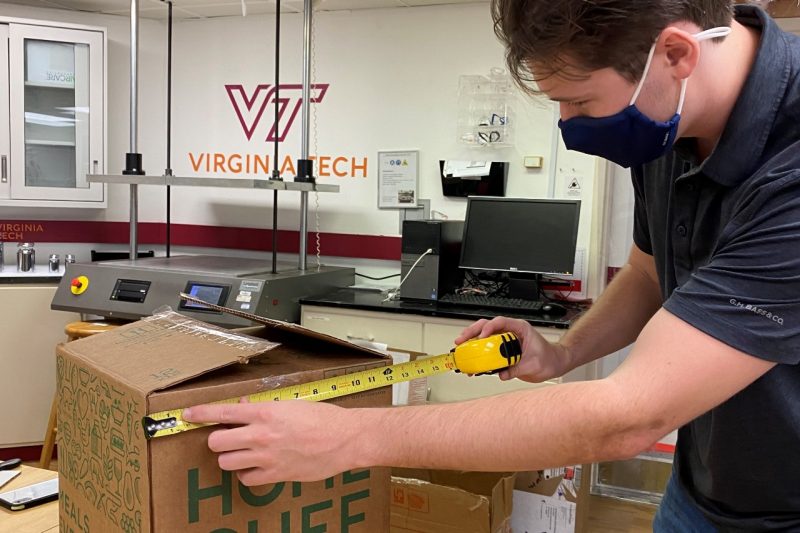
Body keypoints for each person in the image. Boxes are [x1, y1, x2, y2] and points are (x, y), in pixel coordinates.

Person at [183, 1, 800, 530]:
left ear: (676, 54)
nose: (568, 125)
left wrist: (352, 437)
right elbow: (645, 272)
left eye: (581, 101)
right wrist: (562, 353)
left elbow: (630, 416)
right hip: (702, 491)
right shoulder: (669, 121)